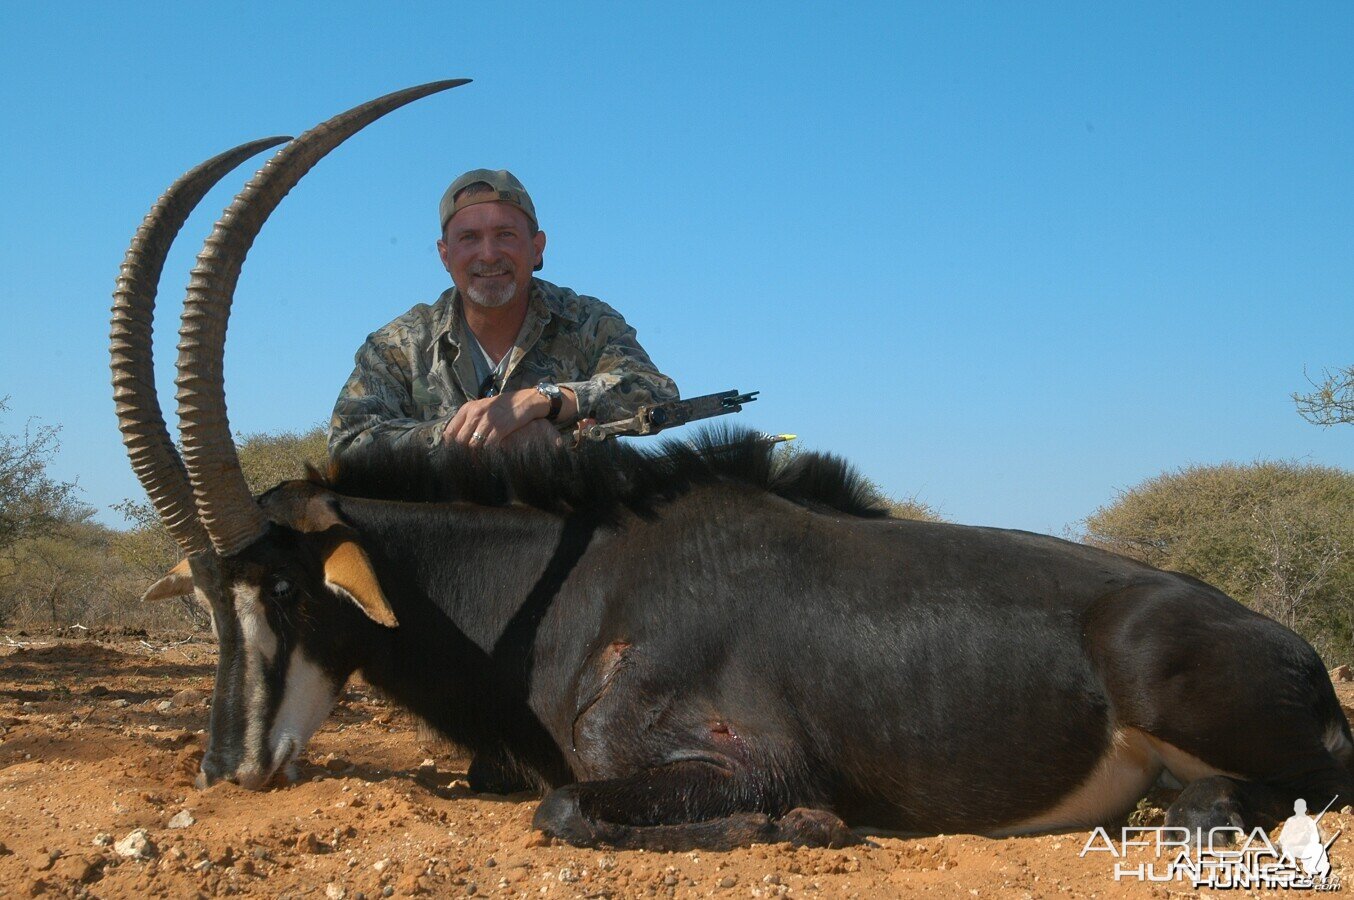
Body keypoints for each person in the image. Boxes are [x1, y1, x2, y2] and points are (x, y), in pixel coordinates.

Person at [329, 168, 678, 462]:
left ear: (537, 248)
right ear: (445, 255)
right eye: (469, 238)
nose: (489, 254)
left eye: (505, 235)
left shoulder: (588, 321)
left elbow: (658, 393)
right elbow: (347, 446)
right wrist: (464, 436)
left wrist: (547, 401)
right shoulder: (398, 346)